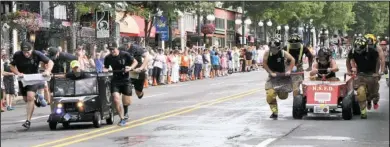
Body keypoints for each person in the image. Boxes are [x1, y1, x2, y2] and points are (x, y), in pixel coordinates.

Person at [10, 41, 54, 129]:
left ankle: (28, 121)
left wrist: (48, 70)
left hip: (34, 78)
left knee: (30, 97)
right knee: (26, 99)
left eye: (28, 52)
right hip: (23, 79)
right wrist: (18, 73)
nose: (26, 54)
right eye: (24, 52)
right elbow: (11, 66)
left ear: (32, 50)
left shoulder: (37, 54)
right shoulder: (17, 55)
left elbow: (50, 62)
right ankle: (36, 97)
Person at [346, 35, 385, 119]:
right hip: (361, 74)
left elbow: (379, 60)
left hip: (371, 74)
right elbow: (348, 60)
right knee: (360, 92)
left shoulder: (373, 50)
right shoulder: (352, 51)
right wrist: (349, 70)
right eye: (357, 50)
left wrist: (377, 72)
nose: (359, 52)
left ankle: (374, 101)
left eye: (361, 50)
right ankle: (363, 112)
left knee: (373, 94)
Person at [103, 42, 138, 126]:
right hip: (115, 80)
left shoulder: (125, 54)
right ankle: (122, 118)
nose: (112, 51)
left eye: (113, 49)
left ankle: (126, 113)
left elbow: (135, 62)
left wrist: (130, 67)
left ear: (117, 48)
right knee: (116, 99)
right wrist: (104, 69)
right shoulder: (108, 58)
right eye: (110, 50)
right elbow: (105, 67)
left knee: (126, 102)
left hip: (126, 79)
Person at [263, 38, 296, 119]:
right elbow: (264, 64)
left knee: (283, 96)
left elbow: (292, 60)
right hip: (273, 77)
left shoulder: (283, 53)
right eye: (271, 48)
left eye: (274, 48)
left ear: (278, 48)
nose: (272, 50)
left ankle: (279, 92)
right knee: (270, 95)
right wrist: (270, 72)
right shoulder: (267, 53)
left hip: (283, 77)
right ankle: (274, 112)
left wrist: (289, 70)